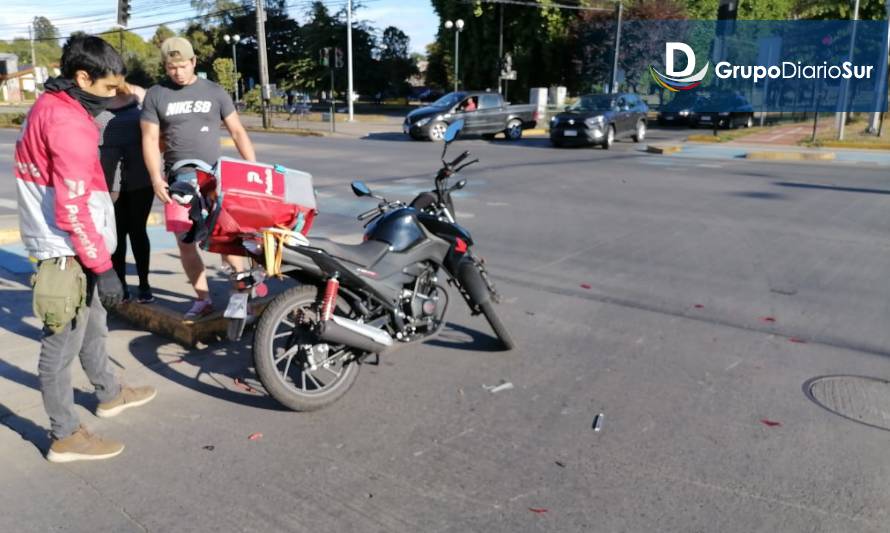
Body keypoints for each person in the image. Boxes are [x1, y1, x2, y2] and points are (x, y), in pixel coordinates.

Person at [13, 35, 157, 463]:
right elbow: (72, 207)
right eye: (109, 87)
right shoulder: (68, 124)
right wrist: (104, 266)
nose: (116, 95)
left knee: (95, 323)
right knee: (60, 346)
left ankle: (109, 393)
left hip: (79, 244)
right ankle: (65, 433)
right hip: (67, 249)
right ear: (82, 77)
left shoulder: (55, 104)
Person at [141, 37, 256, 319]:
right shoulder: (156, 95)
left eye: (182, 66)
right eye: (171, 67)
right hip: (178, 180)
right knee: (186, 241)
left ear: (193, 62)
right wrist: (156, 178)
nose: (177, 72)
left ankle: (240, 296)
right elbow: (150, 137)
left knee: (227, 239)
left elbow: (237, 132)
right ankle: (203, 299)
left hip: (216, 178)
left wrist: (253, 169)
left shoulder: (215, 92)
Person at [97, 81, 155, 303]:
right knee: (116, 234)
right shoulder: (95, 104)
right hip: (108, 182)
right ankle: (120, 285)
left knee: (138, 231)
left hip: (140, 179)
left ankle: (144, 285)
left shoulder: (139, 98)